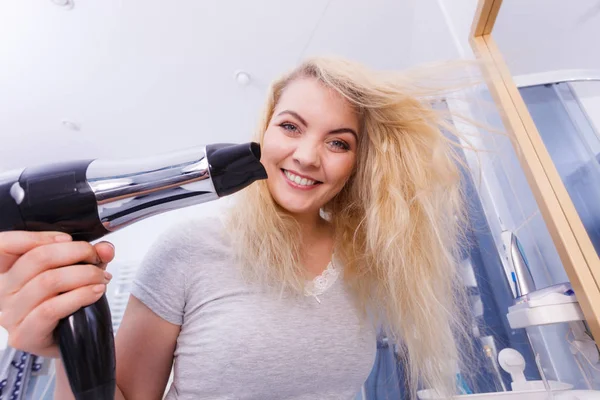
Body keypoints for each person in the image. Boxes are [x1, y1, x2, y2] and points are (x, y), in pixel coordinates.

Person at [0, 56, 474, 399]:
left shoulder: (365, 262)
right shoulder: (189, 249)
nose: (307, 155)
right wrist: (69, 348)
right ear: (263, 133)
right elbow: (123, 393)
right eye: (291, 127)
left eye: (338, 142)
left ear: (357, 163)